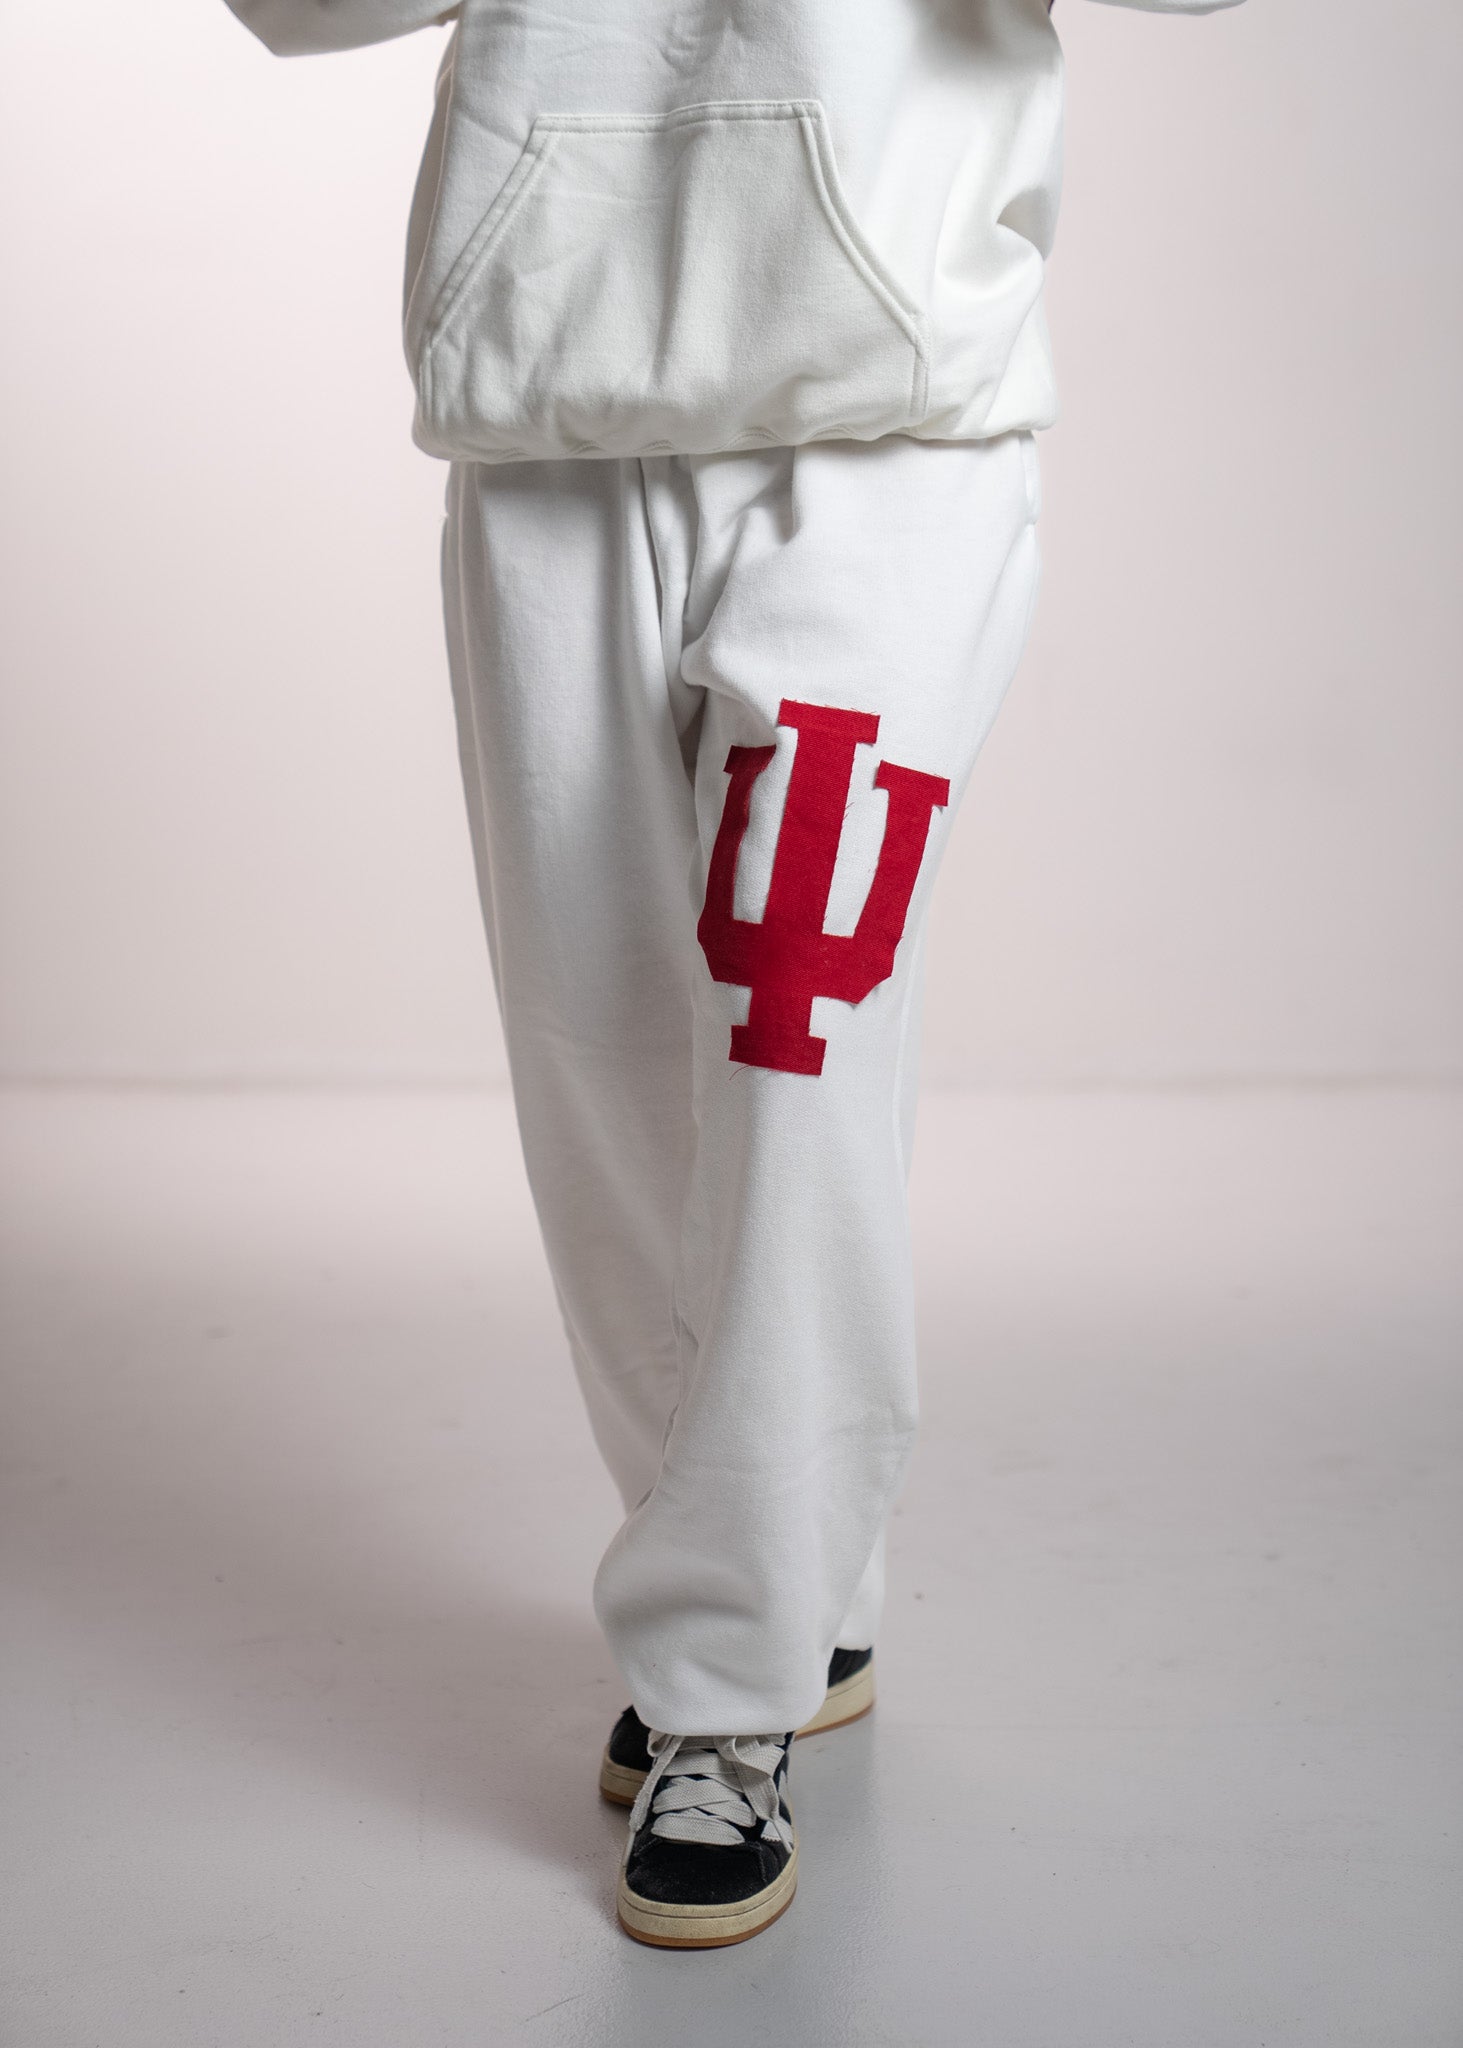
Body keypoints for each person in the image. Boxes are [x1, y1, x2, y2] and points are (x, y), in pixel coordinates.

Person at [224, 0, 1245, 1949]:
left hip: (895, 428)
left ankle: (723, 1674)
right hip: (557, 395)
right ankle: (784, 1574)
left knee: (794, 1030)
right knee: (603, 1069)